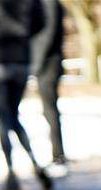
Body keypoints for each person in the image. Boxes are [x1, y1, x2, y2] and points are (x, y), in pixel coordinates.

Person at [0, 0, 52, 190]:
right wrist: (22, 37)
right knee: (13, 116)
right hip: (20, 59)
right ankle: (34, 162)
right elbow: (41, 22)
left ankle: (11, 172)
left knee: (4, 118)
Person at [31, 0, 66, 166]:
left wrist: (35, 64)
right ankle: (57, 153)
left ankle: (58, 154)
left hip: (48, 64)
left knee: (50, 110)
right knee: (48, 110)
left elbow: (47, 34)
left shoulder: (48, 4)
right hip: (46, 63)